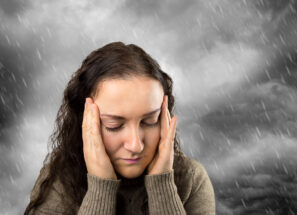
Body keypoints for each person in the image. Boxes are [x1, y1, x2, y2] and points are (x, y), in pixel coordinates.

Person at [24, 41, 215, 215]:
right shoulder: (58, 181)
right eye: (113, 125)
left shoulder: (192, 180)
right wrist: (101, 188)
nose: (136, 145)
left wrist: (162, 185)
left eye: (150, 121)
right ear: (85, 122)